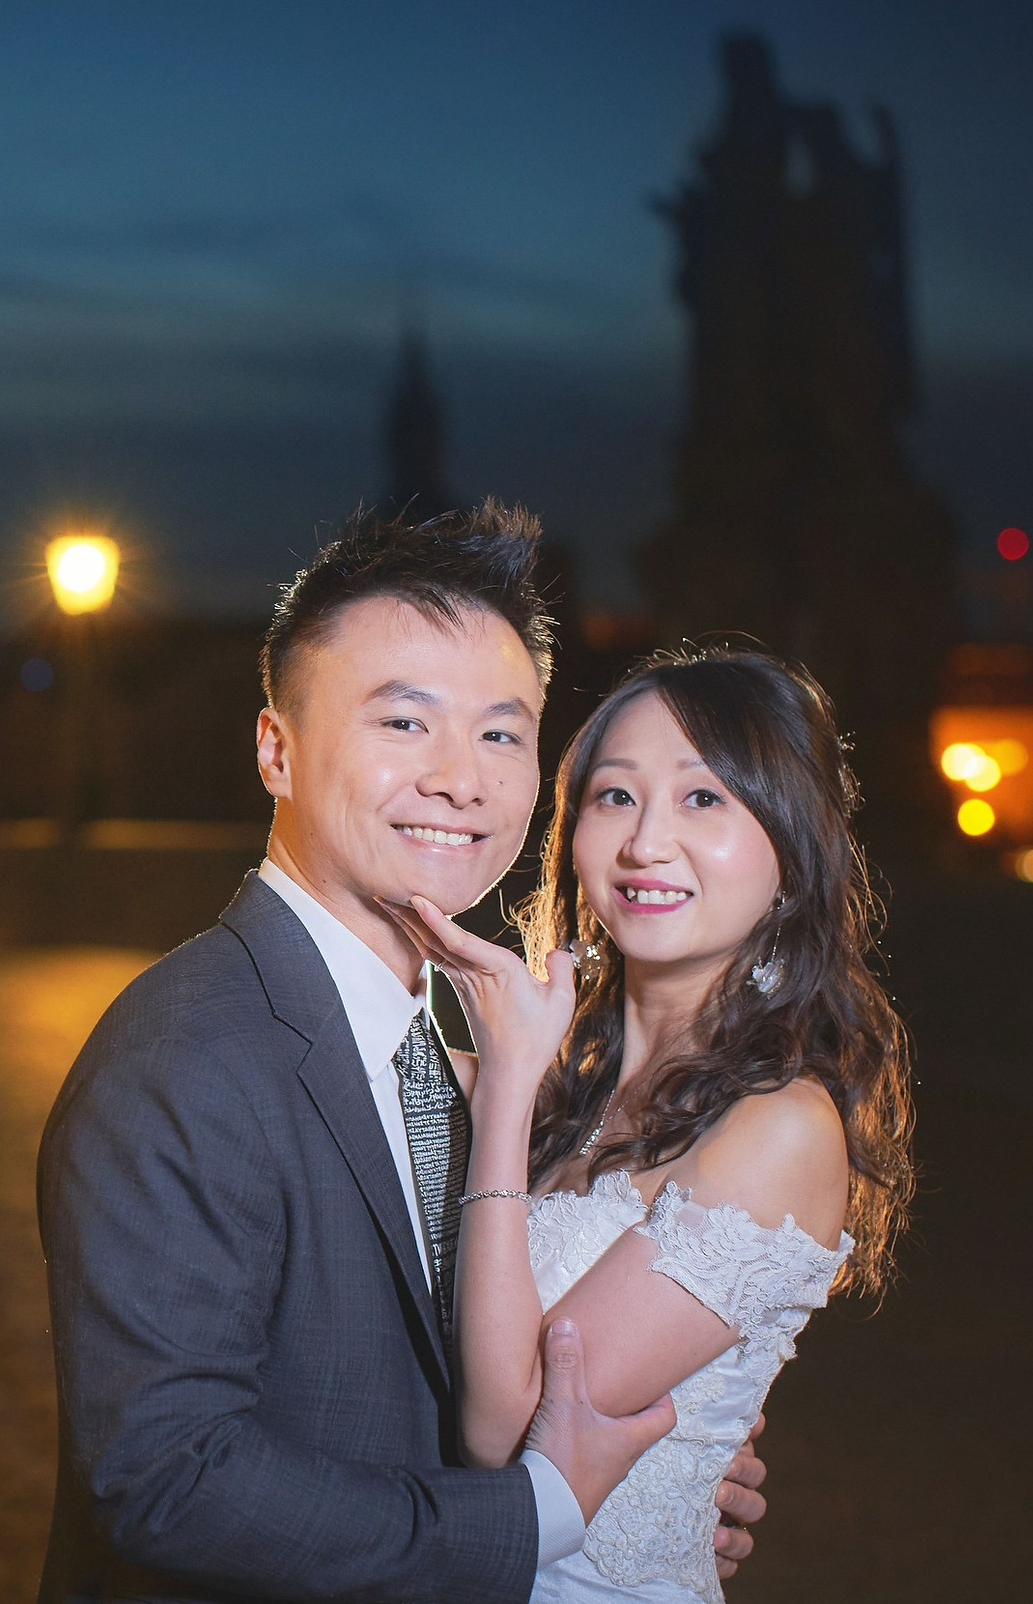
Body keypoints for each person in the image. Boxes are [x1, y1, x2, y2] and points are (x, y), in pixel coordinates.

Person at [37, 503, 768, 1604]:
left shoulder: (443, 1044)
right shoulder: (185, 1053)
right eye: (405, 723)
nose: (461, 779)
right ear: (276, 749)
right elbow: (167, 1480)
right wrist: (540, 1514)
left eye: (501, 734)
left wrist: (649, 1476)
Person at [390, 647, 915, 1603]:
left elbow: (504, 1433)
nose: (646, 842)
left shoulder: (780, 1127)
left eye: (704, 798)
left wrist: (502, 1089)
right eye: (616, 796)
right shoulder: (564, 1089)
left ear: (792, 856)